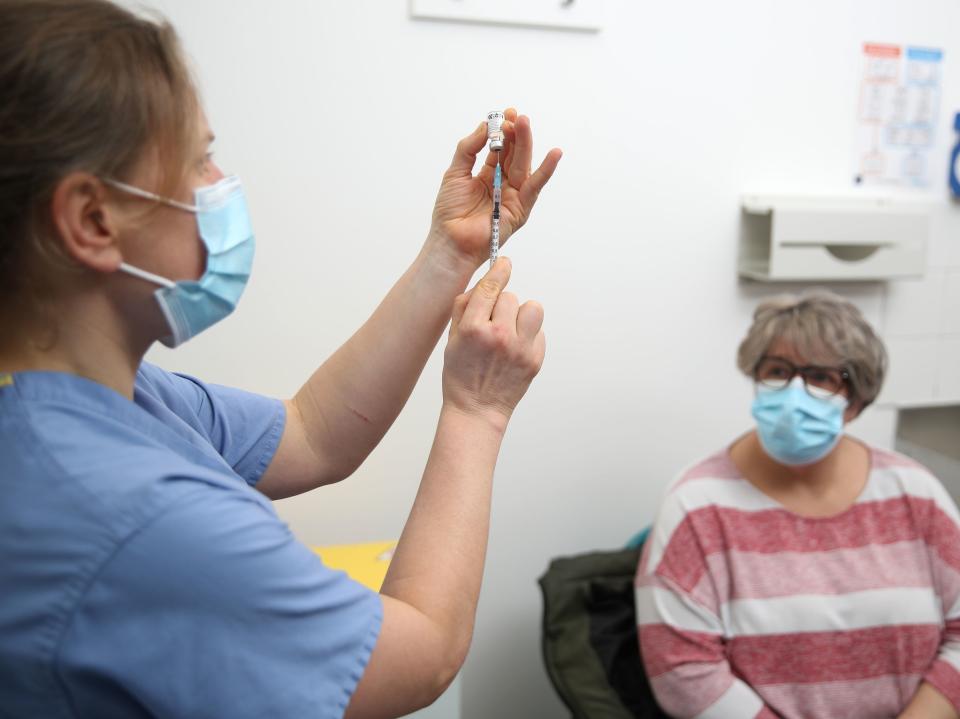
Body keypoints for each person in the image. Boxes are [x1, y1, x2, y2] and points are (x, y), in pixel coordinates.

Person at [0, 1, 562, 717]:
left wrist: (448, 254)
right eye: (198, 157)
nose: (222, 181)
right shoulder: (131, 513)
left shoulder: (110, 402)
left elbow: (313, 431)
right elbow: (419, 653)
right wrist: (476, 411)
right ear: (91, 220)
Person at [635, 290, 960, 719]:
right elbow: (683, 672)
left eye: (821, 378)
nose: (794, 394)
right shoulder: (697, 506)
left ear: (856, 400)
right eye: (778, 371)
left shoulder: (914, 493)